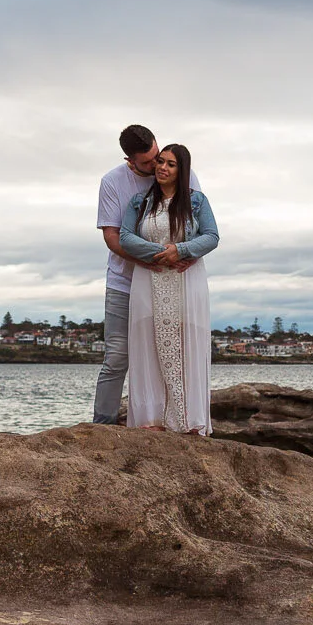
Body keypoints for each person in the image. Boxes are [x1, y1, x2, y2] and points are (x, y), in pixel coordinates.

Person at [93, 124, 198, 423]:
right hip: (124, 283)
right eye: (149, 162)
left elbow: (202, 226)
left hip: (173, 283)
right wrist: (147, 259)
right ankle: (102, 426)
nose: (158, 166)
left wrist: (189, 252)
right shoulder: (113, 182)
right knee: (116, 358)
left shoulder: (182, 173)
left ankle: (172, 421)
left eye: (158, 155)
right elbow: (113, 237)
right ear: (130, 161)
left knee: (171, 354)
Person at [114, 143, 219, 433]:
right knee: (148, 344)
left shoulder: (197, 201)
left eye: (171, 164)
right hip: (149, 279)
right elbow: (125, 237)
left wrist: (182, 250)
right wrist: (162, 252)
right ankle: (153, 418)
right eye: (160, 162)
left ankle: (187, 420)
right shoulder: (140, 202)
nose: (162, 167)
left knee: (186, 346)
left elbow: (211, 236)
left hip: (187, 281)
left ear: (181, 170)